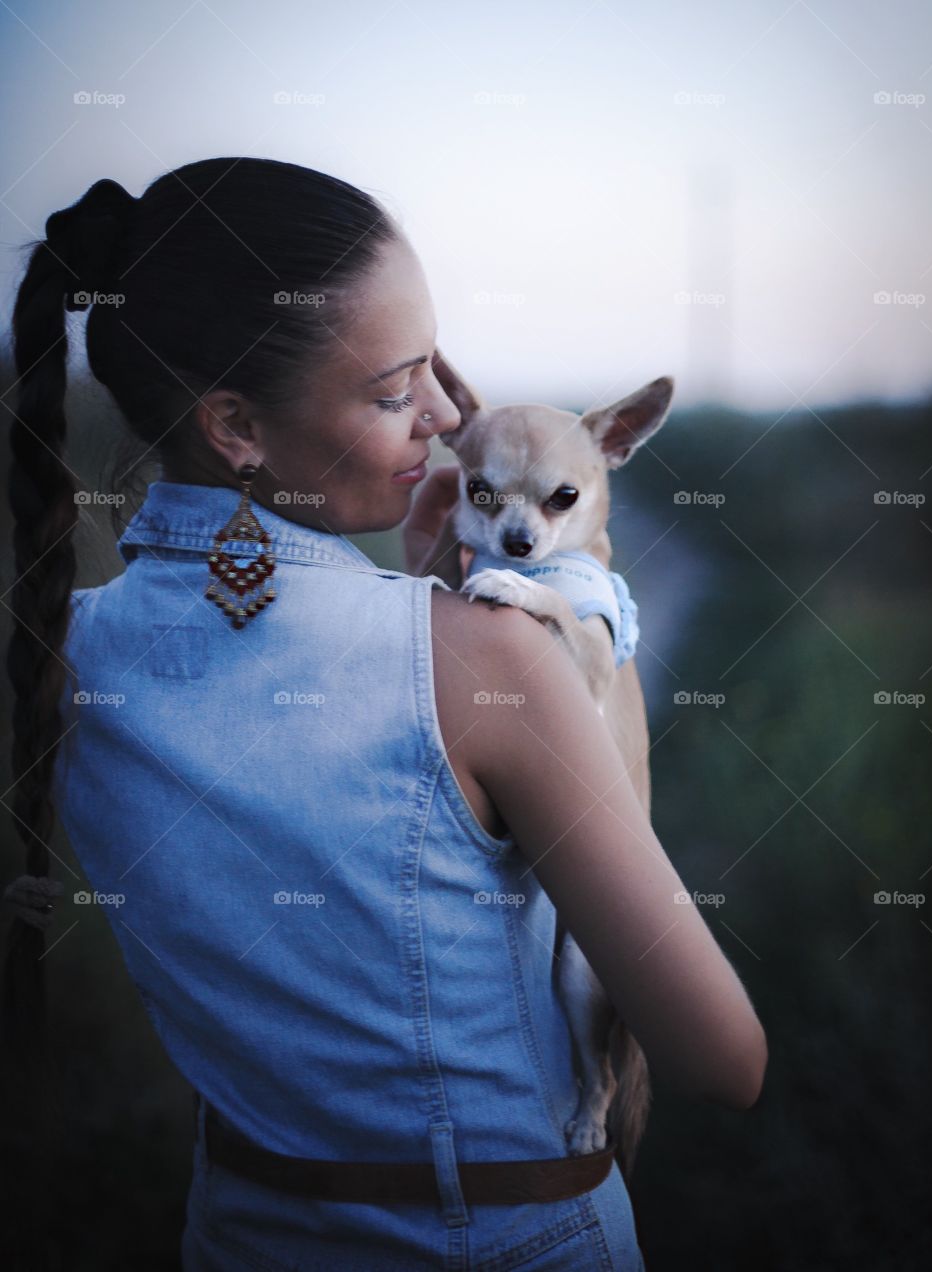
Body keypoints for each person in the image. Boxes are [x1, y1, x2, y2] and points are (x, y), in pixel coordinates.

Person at [2, 157, 767, 1270]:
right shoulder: (491, 655)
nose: (449, 417)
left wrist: (433, 601)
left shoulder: (55, 653)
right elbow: (721, 1059)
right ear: (235, 426)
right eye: (396, 389)